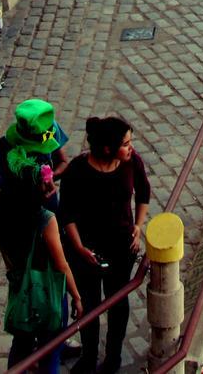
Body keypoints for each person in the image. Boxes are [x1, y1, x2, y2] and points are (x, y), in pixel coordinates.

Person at [0, 100, 83, 373]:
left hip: (40, 221)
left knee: (42, 296)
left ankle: (44, 342)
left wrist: (50, 183)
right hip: (19, 232)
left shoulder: (49, 130)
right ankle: (42, 345)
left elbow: (63, 162)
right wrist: (77, 296)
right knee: (36, 293)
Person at [60, 116, 151, 374]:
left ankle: (113, 358)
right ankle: (88, 357)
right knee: (89, 305)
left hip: (121, 249)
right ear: (108, 148)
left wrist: (138, 225)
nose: (131, 148)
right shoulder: (78, 171)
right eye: (125, 143)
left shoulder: (131, 163)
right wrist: (78, 248)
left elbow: (144, 193)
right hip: (87, 251)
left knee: (117, 304)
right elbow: (67, 214)